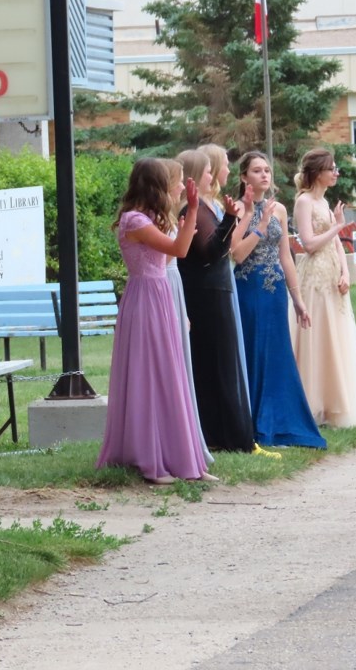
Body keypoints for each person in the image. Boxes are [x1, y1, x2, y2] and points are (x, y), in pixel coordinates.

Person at [96, 158, 214, 484]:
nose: (179, 187)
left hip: (160, 294)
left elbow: (180, 247)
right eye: (174, 182)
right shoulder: (134, 221)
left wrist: (185, 210)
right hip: (145, 297)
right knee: (151, 374)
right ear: (156, 185)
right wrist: (191, 209)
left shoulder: (152, 218)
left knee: (171, 374)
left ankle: (183, 457)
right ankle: (152, 458)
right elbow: (180, 249)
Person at [232, 151, 327, 449]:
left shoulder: (281, 210)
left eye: (267, 170)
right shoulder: (236, 208)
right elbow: (237, 254)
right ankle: (251, 423)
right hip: (248, 288)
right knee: (253, 353)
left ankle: (280, 423)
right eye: (257, 171)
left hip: (275, 293)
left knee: (277, 355)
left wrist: (297, 298)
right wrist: (257, 223)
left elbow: (286, 255)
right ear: (244, 177)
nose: (264, 175)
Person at [174, 150, 256, 454]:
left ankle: (227, 434)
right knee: (216, 364)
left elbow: (219, 249)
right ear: (195, 175)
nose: (213, 176)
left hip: (217, 288)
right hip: (206, 295)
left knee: (223, 362)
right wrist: (231, 220)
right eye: (208, 171)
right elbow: (208, 253)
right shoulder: (191, 209)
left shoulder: (207, 206)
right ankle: (225, 436)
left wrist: (234, 217)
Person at [291, 149, 356, 428]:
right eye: (331, 169)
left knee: (336, 336)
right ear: (317, 172)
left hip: (332, 274)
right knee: (317, 337)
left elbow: (335, 242)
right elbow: (309, 244)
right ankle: (313, 404)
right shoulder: (304, 202)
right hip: (314, 276)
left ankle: (334, 403)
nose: (336, 173)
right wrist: (337, 226)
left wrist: (345, 272)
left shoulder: (323, 201)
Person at [158, 159, 212, 467]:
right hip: (164, 284)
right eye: (177, 181)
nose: (182, 186)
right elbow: (170, 257)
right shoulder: (161, 218)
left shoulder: (168, 214)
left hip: (174, 284)